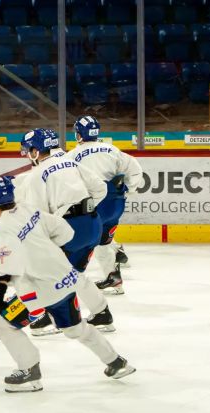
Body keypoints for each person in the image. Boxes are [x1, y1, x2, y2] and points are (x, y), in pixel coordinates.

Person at [0, 176, 135, 392]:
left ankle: (29, 372)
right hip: (66, 279)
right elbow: (65, 231)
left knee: (0, 323)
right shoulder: (29, 209)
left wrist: (0, 291)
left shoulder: (0, 230)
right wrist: (46, 252)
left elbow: (11, 270)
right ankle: (116, 362)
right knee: (74, 329)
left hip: (42, 291)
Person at [16, 128, 116, 336]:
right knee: (73, 274)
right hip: (91, 224)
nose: (27, 154)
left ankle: (45, 318)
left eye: (28, 150)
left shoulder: (36, 176)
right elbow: (100, 189)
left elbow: (36, 216)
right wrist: (81, 209)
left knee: (42, 273)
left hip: (69, 230)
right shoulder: (72, 162)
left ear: (36, 150)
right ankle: (102, 314)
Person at [68, 116, 143, 294]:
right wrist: (129, 190)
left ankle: (67, 281)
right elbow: (135, 169)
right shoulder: (112, 149)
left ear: (79, 134)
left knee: (79, 240)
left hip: (94, 204)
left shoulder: (73, 155)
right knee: (104, 240)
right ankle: (114, 277)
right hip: (115, 205)